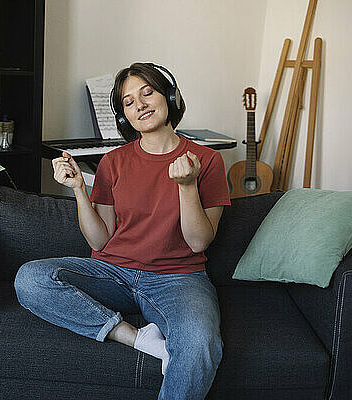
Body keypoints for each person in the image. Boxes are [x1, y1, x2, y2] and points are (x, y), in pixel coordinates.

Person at [14, 62, 231, 399]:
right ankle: (134, 336)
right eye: (129, 102)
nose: (140, 105)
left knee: (200, 342)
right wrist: (77, 190)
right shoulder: (113, 162)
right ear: (123, 117)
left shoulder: (206, 160)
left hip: (178, 277)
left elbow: (199, 241)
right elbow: (100, 239)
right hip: (113, 271)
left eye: (148, 93)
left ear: (169, 97)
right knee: (30, 278)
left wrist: (187, 187)